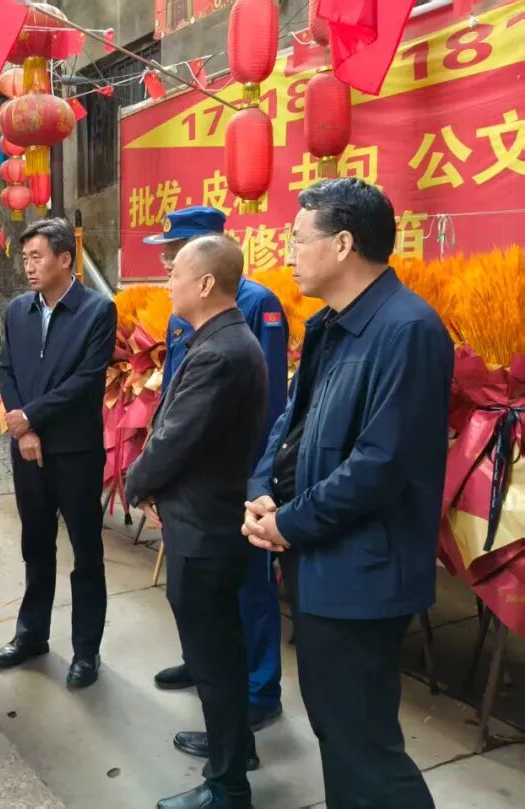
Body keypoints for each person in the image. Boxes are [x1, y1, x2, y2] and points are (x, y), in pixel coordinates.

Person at [244, 178, 450, 808]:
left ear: (342, 244)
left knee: (365, 746)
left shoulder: (408, 329)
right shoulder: (333, 325)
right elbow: (292, 423)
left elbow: (380, 465)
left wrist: (289, 523)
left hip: (364, 573)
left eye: (297, 239)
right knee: (336, 730)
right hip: (321, 562)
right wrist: (263, 490)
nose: (288, 253)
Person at [126, 235, 268, 809]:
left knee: (213, 657)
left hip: (205, 528)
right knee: (219, 651)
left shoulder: (220, 352)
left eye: (175, 274)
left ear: (206, 284)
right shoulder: (222, 340)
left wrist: (136, 482)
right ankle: (233, 745)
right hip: (206, 518)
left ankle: (228, 786)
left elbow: (174, 439)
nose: (167, 284)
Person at [144, 207, 289, 751]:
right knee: (204, 599)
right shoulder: (183, 307)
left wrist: (256, 481)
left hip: (236, 479)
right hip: (193, 483)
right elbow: (175, 393)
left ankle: (259, 691)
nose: (166, 263)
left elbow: (266, 404)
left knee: (248, 586)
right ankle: (203, 662)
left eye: (174, 252)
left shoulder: (254, 304)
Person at [0, 218, 117, 689]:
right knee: (36, 545)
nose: (28, 267)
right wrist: (21, 427)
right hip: (27, 451)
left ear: (65, 259)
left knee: (86, 551)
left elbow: (86, 380)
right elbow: (7, 370)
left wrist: (31, 418)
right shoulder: (17, 311)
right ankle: (31, 634)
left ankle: (87, 650)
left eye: (37, 257)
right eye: (25, 258)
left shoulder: (97, 311)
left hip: (75, 452)